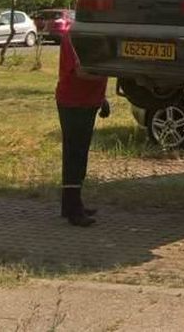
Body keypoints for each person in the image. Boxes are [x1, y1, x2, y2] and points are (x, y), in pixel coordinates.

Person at [56, 30, 109, 227]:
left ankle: (70, 204)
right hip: (73, 102)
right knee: (74, 154)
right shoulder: (74, 37)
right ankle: (74, 210)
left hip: (88, 101)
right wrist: (112, 71)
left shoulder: (93, 36)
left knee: (80, 152)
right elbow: (81, 71)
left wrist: (101, 98)